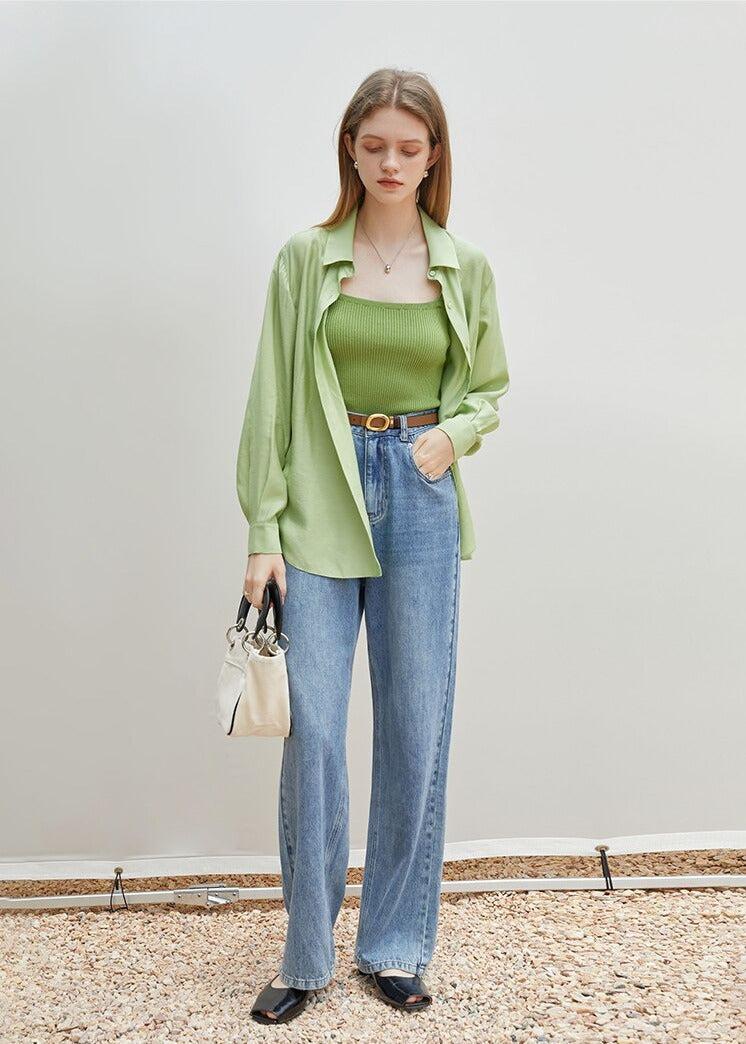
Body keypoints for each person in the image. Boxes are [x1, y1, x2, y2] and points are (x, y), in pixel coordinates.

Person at [237, 67, 510, 1025]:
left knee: (415, 723)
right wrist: (262, 531)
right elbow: (272, 397)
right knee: (314, 729)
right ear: (350, 150)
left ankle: (394, 944)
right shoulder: (304, 259)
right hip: (320, 490)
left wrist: (451, 438)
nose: (391, 162)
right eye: (374, 144)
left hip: (421, 493)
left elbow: (490, 388)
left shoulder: (463, 267)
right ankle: (307, 954)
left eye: (409, 147)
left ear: (434, 158)